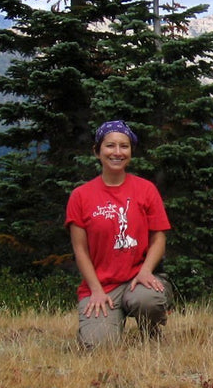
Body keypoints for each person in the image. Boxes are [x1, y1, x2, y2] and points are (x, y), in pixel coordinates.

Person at [66, 120, 171, 348]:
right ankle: (100, 328)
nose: (117, 152)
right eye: (110, 146)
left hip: (137, 279)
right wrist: (95, 290)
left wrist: (145, 271)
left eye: (124, 146)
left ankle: (150, 331)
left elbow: (159, 237)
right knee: (99, 347)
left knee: (148, 300)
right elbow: (80, 249)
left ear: (131, 152)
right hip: (101, 285)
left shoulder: (146, 189)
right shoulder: (80, 196)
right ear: (97, 151)